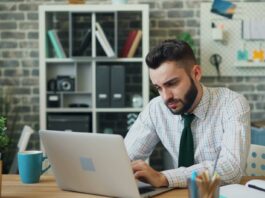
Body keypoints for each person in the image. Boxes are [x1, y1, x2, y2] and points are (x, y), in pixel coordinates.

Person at [124, 40, 250, 188]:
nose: (166, 97)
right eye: (159, 88)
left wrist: (164, 177)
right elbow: (125, 158)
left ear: (196, 73)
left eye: (172, 84)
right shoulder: (156, 109)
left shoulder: (232, 104)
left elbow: (231, 168)